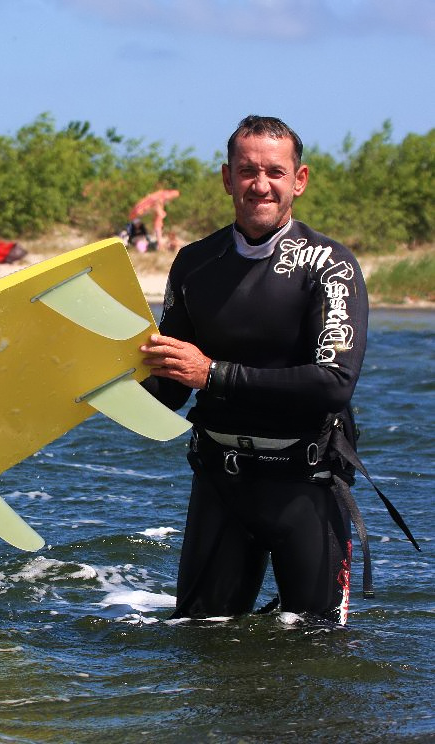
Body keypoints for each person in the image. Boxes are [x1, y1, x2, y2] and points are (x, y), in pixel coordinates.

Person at [140, 115, 376, 624]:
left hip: (306, 483)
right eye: (247, 171)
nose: (260, 185)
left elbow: (332, 385)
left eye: (274, 171)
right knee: (201, 642)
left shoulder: (330, 264)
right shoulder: (195, 264)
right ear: (227, 178)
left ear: (300, 179)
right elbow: (171, 390)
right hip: (221, 482)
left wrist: (213, 374)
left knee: (320, 655)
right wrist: (107, 376)